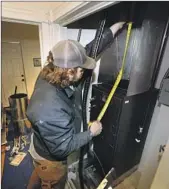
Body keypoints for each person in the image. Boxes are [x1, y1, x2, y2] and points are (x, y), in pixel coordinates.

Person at [27, 22, 125, 189]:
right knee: (53, 181)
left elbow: (88, 50)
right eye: (81, 69)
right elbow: (62, 149)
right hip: (50, 160)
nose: (84, 72)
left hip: (41, 143)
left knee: (39, 175)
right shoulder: (51, 108)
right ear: (69, 71)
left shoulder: (53, 69)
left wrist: (114, 29)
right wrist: (91, 133)